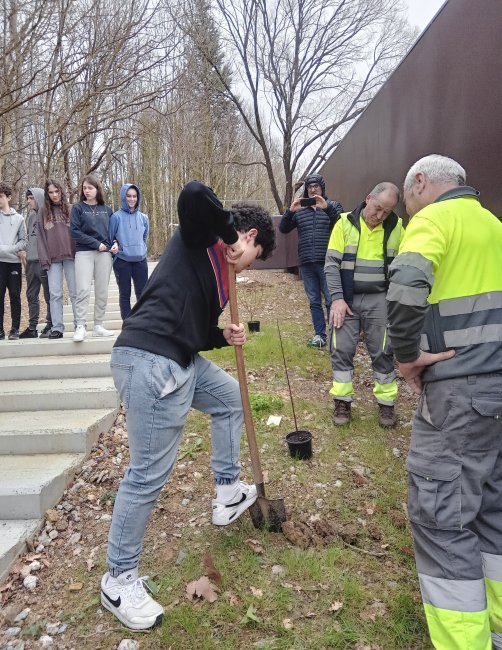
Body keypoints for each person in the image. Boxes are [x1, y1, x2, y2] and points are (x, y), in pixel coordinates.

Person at [100, 180, 275, 630]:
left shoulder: (219, 278)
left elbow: (190, 329)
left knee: (230, 398)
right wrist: (230, 234)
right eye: (253, 258)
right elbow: (194, 193)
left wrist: (220, 336)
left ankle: (226, 492)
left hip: (180, 357)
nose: (247, 268)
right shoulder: (205, 236)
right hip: (150, 360)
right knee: (146, 476)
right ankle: (118, 580)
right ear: (250, 238)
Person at [387, 154, 502, 650]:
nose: (408, 213)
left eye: (407, 203)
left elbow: (407, 288)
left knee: (442, 517)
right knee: (492, 511)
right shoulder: (493, 224)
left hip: (458, 392)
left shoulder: (433, 219)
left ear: (419, 183)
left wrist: (407, 357)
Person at [325, 182, 403, 427]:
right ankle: (342, 402)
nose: (379, 216)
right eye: (377, 208)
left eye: (386, 212)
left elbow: (403, 266)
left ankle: (387, 406)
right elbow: (330, 265)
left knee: (383, 350)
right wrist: (336, 298)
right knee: (341, 348)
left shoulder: (397, 227)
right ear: (368, 198)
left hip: (379, 298)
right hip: (346, 299)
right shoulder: (344, 223)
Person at [279, 173, 343, 348]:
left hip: (328, 262)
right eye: (310, 187)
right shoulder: (300, 211)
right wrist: (290, 211)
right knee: (314, 301)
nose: (313, 189)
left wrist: (327, 207)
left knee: (331, 300)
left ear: (322, 188)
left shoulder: (333, 206)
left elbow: (342, 224)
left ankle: (334, 336)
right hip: (306, 262)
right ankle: (319, 336)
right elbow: (283, 228)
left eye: (316, 186)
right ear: (306, 190)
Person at [71, 175, 114, 341]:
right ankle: (80, 326)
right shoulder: (78, 208)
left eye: (90, 188)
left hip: (104, 254)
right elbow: (75, 232)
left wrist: (115, 243)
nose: (86, 191)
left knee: (102, 291)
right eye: (84, 188)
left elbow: (112, 232)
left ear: (97, 189)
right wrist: (96, 244)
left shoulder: (107, 209)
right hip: (84, 253)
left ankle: (98, 325)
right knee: (82, 290)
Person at [37, 180, 77, 339]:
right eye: (51, 192)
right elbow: (40, 237)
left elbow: (78, 233)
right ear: (47, 195)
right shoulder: (42, 212)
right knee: (55, 294)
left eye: (57, 191)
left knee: (75, 293)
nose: (54, 195)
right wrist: (44, 259)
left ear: (61, 191)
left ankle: (79, 324)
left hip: (71, 257)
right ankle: (57, 328)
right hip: (52, 259)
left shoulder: (72, 209)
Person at [109, 183, 149, 321]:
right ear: (123, 197)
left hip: (140, 260)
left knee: (142, 294)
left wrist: (141, 249)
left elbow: (144, 237)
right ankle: (127, 324)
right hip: (122, 261)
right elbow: (111, 237)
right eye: (128, 196)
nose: (131, 199)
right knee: (125, 294)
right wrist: (117, 247)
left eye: (134, 196)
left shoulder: (144, 218)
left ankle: (142, 323)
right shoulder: (116, 217)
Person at [19, 188, 52, 338]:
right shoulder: (31, 217)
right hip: (31, 262)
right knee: (31, 295)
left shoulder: (49, 215)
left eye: (31, 198)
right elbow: (30, 239)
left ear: (38, 198)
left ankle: (51, 324)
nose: (28, 201)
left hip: (44, 261)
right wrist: (24, 250)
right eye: (27, 198)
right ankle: (32, 328)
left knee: (49, 295)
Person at [0, 182, 26, 340]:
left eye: (1, 196)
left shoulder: (19, 219)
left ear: (8, 197)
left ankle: (14, 330)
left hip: (14, 263)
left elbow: (23, 241)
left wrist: (7, 250)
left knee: (15, 295)